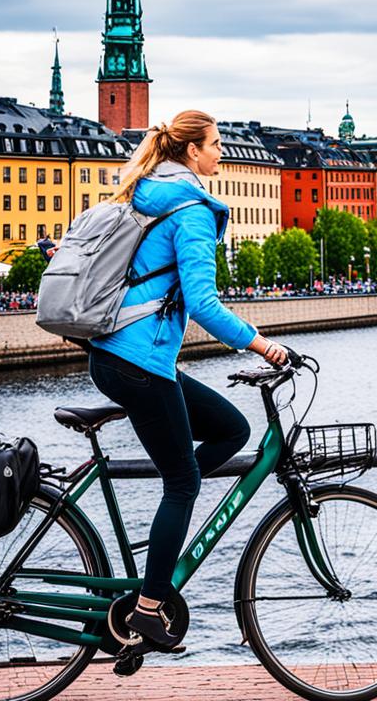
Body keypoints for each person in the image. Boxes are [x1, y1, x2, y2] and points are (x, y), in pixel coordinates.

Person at [87, 109, 287, 650]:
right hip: (139, 362)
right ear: (193, 152)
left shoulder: (145, 191)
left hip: (118, 355)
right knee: (183, 482)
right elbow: (202, 302)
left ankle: (162, 535)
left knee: (231, 430)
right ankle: (148, 610)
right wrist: (263, 345)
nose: (222, 152)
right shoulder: (190, 209)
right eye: (217, 144)